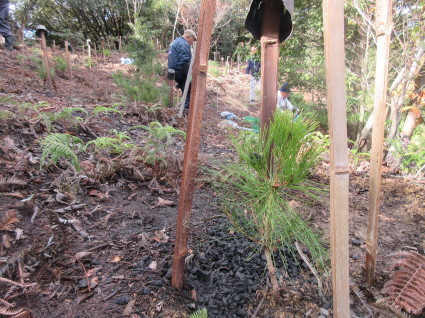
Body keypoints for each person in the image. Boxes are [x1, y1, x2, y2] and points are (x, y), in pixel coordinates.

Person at [167, 29, 197, 111]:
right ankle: (184, 112)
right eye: (192, 40)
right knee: (189, 92)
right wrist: (190, 75)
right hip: (180, 71)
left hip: (174, 70)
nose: (192, 42)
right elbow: (184, 61)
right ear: (188, 37)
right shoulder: (183, 43)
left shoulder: (176, 41)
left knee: (185, 90)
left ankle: (181, 109)